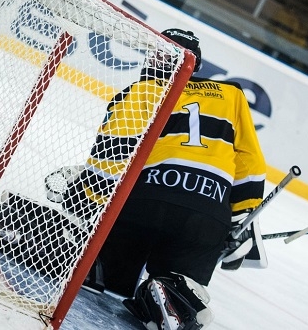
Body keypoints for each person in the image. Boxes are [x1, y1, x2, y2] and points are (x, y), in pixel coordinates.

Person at [48, 29, 268, 329]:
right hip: (206, 216)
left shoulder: (141, 90)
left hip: (144, 204)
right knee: (184, 288)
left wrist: (83, 198)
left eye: (163, 52)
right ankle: (171, 293)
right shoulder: (232, 95)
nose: (156, 57)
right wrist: (242, 218)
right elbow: (249, 162)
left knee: (109, 268)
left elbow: (112, 156)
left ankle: (102, 270)